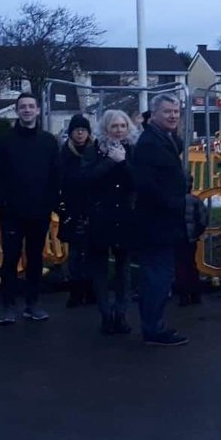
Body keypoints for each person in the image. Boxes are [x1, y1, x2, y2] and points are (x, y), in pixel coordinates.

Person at [0, 92, 60, 324]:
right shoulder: (3, 142)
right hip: (12, 213)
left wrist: (49, 202)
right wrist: (5, 200)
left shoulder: (48, 141)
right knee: (11, 259)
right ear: (17, 111)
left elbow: (56, 175)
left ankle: (32, 304)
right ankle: (8, 306)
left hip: (39, 212)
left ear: (38, 110)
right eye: (22, 107)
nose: (27, 110)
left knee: (36, 258)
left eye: (31, 106)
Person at [131, 93, 189, 346]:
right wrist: (174, 200)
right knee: (158, 275)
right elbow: (147, 185)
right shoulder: (149, 143)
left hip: (162, 220)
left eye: (176, 111)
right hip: (156, 222)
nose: (174, 116)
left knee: (159, 274)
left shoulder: (163, 138)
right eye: (168, 112)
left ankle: (153, 324)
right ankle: (153, 329)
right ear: (153, 114)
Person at [81, 109, 137, 335]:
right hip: (100, 217)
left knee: (123, 269)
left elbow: (138, 181)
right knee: (100, 269)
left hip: (125, 216)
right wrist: (108, 162)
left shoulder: (132, 151)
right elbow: (85, 179)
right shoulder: (93, 151)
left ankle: (121, 314)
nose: (119, 130)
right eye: (114, 126)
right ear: (106, 128)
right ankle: (105, 313)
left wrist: (122, 162)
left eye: (123, 126)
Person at [58, 114, 96, 308]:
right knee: (74, 253)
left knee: (92, 252)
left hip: (93, 208)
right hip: (71, 209)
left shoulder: (96, 151)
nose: (80, 133)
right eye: (76, 129)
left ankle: (91, 290)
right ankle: (75, 291)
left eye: (83, 129)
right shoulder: (64, 155)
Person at [177, 176, 208, 306]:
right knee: (191, 265)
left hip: (178, 237)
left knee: (180, 266)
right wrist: (197, 233)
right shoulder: (196, 201)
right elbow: (203, 219)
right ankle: (195, 295)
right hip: (191, 237)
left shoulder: (175, 201)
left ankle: (183, 296)